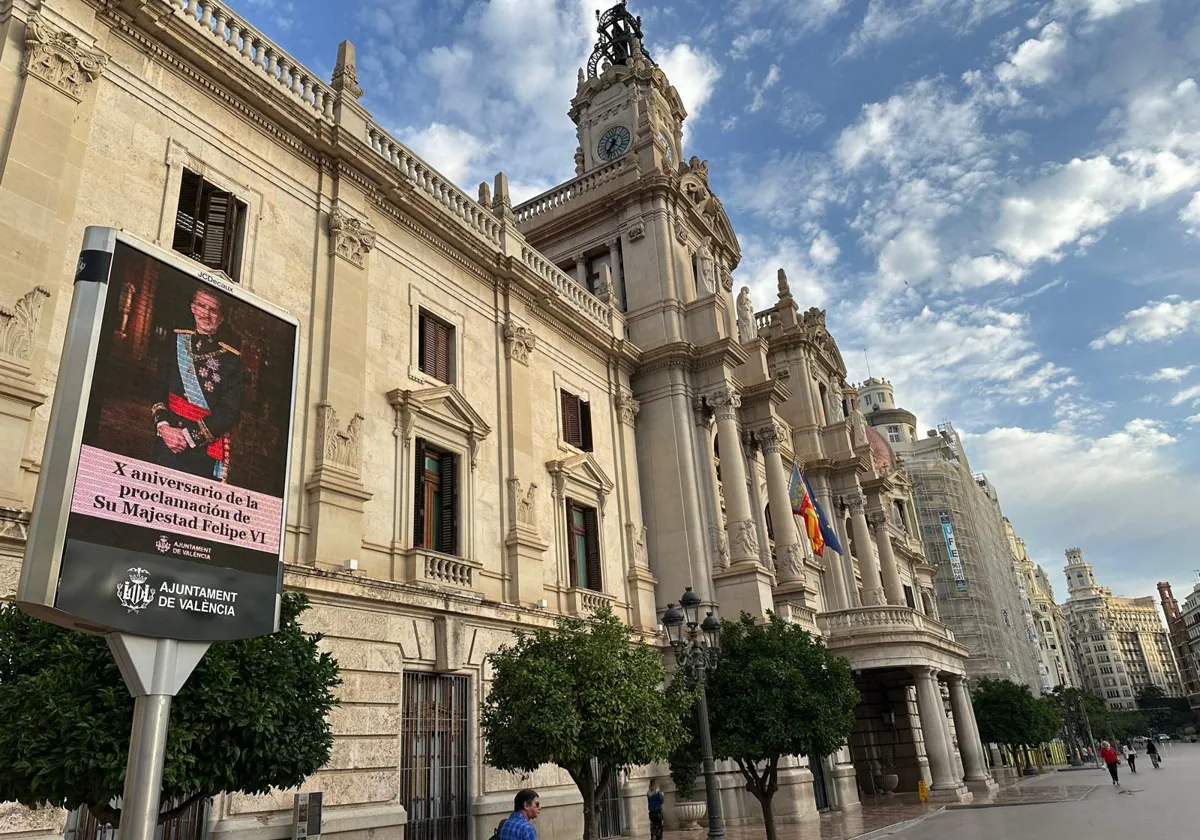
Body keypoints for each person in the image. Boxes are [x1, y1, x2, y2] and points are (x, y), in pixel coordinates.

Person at [152, 288, 244, 482]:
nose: (206, 314)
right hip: (166, 441)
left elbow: (229, 412)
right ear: (193, 307)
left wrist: (187, 436)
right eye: (201, 306)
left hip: (200, 452)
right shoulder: (175, 341)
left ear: (221, 318)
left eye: (213, 310)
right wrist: (164, 427)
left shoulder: (232, 360)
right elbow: (158, 387)